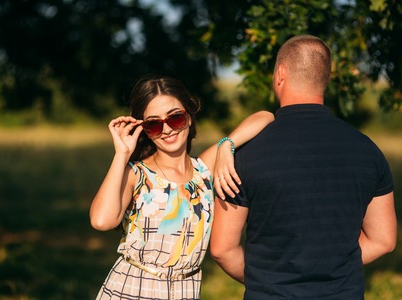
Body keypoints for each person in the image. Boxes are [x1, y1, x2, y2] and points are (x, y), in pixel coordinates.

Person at [210, 35, 397, 299]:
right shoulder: (368, 150)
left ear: (280, 74)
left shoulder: (244, 154)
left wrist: (266, 278)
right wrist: (332, 268)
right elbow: (383, 240)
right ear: (326, 78)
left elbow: (221, 248)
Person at [89, 75, 274, 300]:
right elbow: (102, 221)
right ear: (144, 130)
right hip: (131, 290)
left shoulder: (204, 170)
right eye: (154, 124)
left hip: (186, 291)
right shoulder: (135, 174)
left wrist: (227, 144)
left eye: (175, 118)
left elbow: (265, 116)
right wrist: (121, 154)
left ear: (189, 116)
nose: (167, 129)